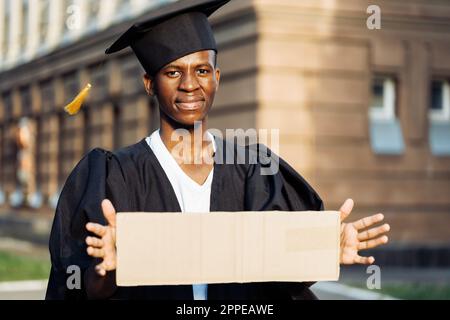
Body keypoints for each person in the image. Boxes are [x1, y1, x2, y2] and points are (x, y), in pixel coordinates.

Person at [45, 0, 390, 300]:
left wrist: (324, 249)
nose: (190, 84)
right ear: (149, 83)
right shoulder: (113, 176)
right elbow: (82, 289)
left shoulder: (255, 170)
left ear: (217, 78)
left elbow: (283, 278)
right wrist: (107, 269)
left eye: (202, 70)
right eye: (173, 72)